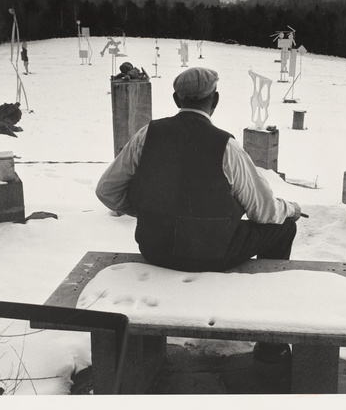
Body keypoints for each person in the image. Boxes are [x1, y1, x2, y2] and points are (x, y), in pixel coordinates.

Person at [96, 67, 302, 363]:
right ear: (214, 100)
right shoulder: (226, 147)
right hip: (213, 253)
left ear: (176, 99)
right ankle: (270, 340)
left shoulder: (147, 135)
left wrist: (147, 212)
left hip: (156, 249)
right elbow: (264, 211)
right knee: (283, 229)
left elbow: (107, 191)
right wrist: (291, 209)